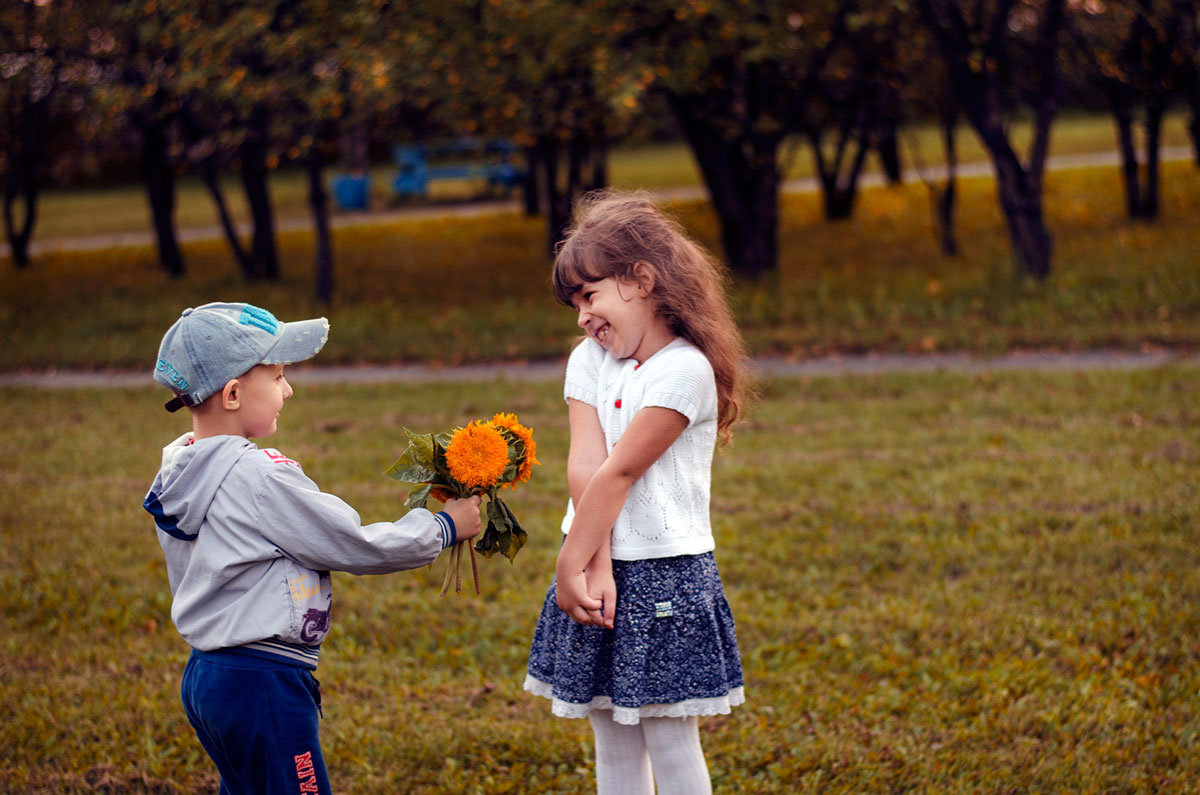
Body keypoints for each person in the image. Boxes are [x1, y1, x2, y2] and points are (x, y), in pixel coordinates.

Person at [142, 301, 481, 795]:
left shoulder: (181, 469)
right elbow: (351, 543)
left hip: (208, 676)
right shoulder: (258, 478)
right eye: (277, 376)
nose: (288, 389)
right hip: (263, 681)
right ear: (233, 393)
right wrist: (442, 527)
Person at [525, 191, 752, 794]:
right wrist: (593, 566)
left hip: (664, 574)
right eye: (574, 303)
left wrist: (570, 560)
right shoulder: (591, 359)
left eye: (590, 295)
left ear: (642, 280)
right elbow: (586, 464)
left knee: (669, 738)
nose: (581, 316)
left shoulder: (685, 371)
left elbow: (620, 474)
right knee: (612, 736)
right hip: (598, 562)